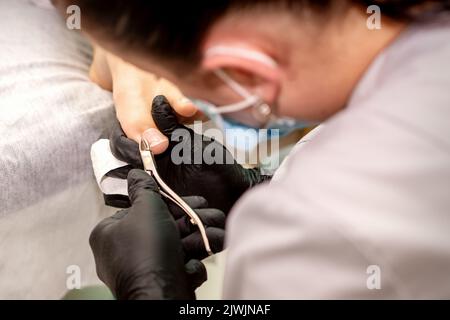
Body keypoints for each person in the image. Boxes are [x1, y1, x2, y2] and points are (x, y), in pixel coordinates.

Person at [54, 0, 450, 299]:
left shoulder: (312, 233)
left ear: (245, 72)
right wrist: (264, 186)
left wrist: (149, 290)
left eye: (183, 83)